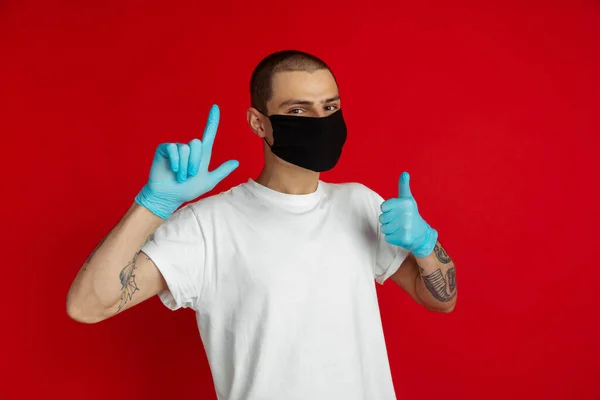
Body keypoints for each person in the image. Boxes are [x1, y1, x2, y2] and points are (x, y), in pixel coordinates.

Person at [67, 50, 457, 400]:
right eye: (298, 111)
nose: (320, 121)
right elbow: (87, 306)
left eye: (330, 107)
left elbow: (441, 300)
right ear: (258, 122)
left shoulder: (360, 202)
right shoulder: (209, 226)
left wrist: (425, 244)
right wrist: (152, 206)